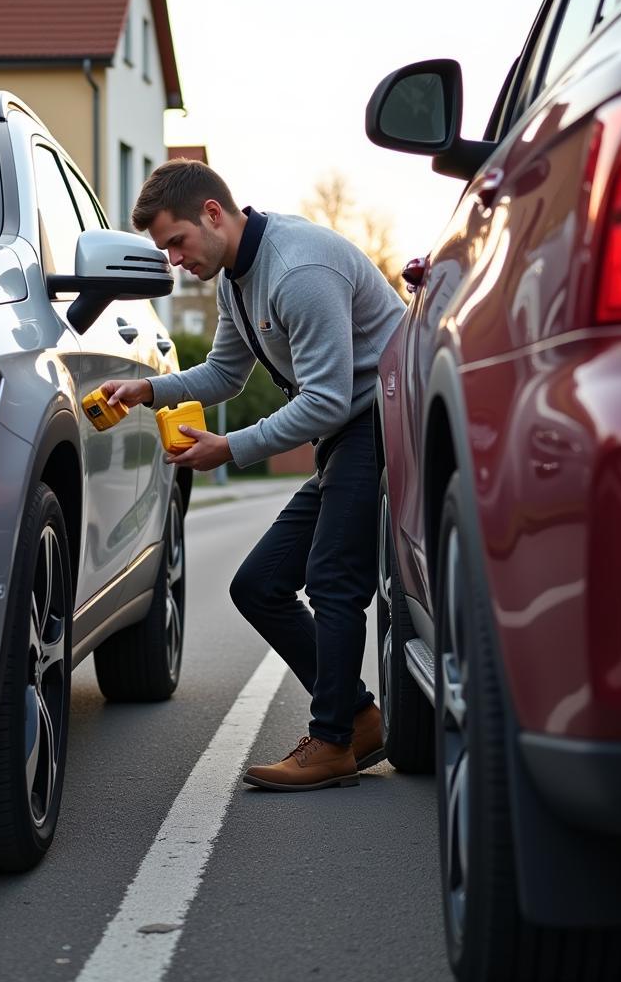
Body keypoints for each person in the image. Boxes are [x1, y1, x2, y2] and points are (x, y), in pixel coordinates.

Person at [101, 159, 406, 792]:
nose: (175, 260)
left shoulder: (298, 271)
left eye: (176, 243)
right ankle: (357, 718)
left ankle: (331, 744)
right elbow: (224, 374)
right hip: (344, 428)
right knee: (260, 584)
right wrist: (148, 389)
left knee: (333, 578)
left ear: (213, 214)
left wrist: (230, 448)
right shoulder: (234, 278)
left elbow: (324, 399)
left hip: (380, 419)